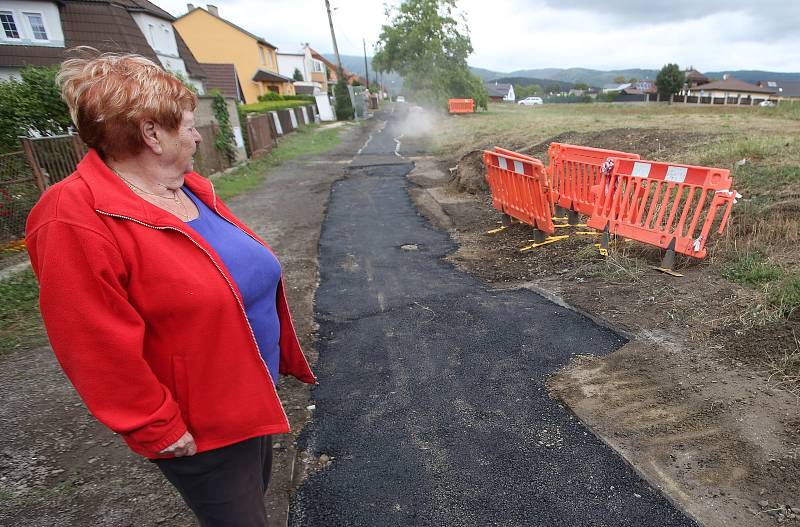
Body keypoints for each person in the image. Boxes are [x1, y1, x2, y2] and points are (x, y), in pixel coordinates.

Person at [25, 50, 316, 526]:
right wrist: (152, 425)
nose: (198, 133)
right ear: (151, 133)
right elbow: (89, 342)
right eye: (187, 123)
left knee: (252, 499)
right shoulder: (73, 216)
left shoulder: (186, 189)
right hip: (203, 424)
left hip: (247, 395)